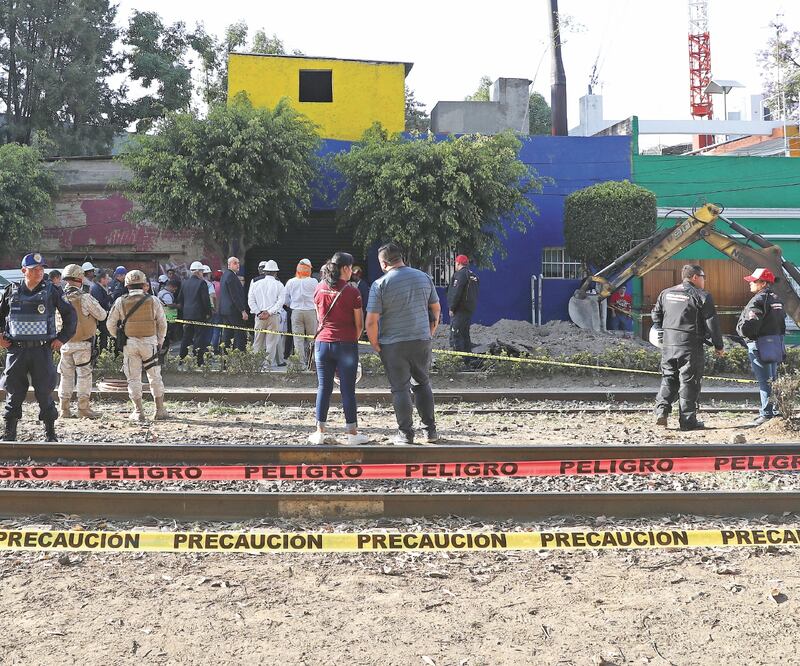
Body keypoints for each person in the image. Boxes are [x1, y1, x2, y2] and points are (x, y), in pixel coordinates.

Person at [366, 243, 441, 445]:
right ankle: (430, 431)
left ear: (383, 263)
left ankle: (406, 434)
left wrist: (375, 344)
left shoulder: (380, 284)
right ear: (401, 257)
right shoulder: (424, 277)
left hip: (393, 344)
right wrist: (430, 332)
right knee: (423, 384)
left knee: (400, 389)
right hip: (421, 340)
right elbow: (435, 307)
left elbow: (371, 320)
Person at [0, 253, 77, 442]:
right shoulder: (12, 290)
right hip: (16, 350)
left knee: (44, 392)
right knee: (14, 392)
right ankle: (10, 433)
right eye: (34, 269)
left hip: (42, 350)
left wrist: (62, 339)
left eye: (41, 268)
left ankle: (50, 433)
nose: (39, 272)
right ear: (23, 271)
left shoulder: (52, 290)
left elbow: (70, 316)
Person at [652, 264, 724, 431]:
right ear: (695, 277)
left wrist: (663, 330)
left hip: (669, 345)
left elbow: (656, 314)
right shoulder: (702, 296)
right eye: (704, 277)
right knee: (689, 382)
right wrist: (718, 346)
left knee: (669, 378)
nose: (704, 280)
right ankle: (687, 421)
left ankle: (661, 411)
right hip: (690, 346)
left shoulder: (666, 293)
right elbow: (712, 322)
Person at [309, 252, 370, 445]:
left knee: (323, 388)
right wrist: (352, 339)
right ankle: (352, 433)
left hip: (322, 344)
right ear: (345, 268)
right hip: (346, 345)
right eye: (351, 267)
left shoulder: (319, 288)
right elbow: (359, 324)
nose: (352, 271)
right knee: (348, 390)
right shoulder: (353, 292)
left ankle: (320, 432)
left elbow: (319, 317)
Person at [106, 270, 168, 422]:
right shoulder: (153, 300)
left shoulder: (120, 301)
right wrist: (160, 340)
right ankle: (159, 410)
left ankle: (139, 412)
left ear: (127, 285)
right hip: (150, 342)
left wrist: (120, 336)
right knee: (155, 377)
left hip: (130, 343)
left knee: (133, 378)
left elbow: (110, 324)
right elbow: (162, 323)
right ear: (144, 284)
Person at [736, 268, 786, 425]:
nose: (750, 283)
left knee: (765, 382)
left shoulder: (758, 300)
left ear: (763, 283)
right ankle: (775, 411)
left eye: (753, 281)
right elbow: (781, 323)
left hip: (759, 345)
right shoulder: (777, 299)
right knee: (772, 380)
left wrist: (743, 333)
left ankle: (766, 414)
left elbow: (750, 325)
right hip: (775, 344)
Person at [57, 264, 107, 419]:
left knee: (65, 377)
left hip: (65, 344)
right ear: (80, 279)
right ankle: (83, 408)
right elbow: (102, 315)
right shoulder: (85, 298)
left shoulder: (58, 299)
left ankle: (64, 409)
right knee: (84, 375)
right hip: (83, 344)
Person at [248, 260, 285, 366]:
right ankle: (267, 365)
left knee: (258, 341)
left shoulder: (256, 284)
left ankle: (255, 364)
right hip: (273, 317)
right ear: (275, 272)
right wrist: (269, 312)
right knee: (271, 343)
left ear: (265, 271)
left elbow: (251, 300)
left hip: (259, 317)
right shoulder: (279, 285)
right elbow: (280, 302)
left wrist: (258, 312)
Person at [177, 261, 212, 366]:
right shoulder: (202, 283)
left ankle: (181, 358)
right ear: (199, 272)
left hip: (187, 314)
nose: (202, 274)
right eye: (202, 271)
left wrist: (185, 311)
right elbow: (205, 300)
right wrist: (208, 313)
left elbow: (180, 299)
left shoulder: (184, 283)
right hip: (199, 315)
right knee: (199, 337)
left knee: (186, 337)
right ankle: (199, 360)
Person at [447, 254, 480, 363]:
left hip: (460, 310)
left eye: (455, 263)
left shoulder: (460, 275)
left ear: (458, 263)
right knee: (465, 334)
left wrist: (452, 307)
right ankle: (467, 361)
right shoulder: (473, 276)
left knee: (456, 334)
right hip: (469, 310)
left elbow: (456, 292)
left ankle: (458, 361)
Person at [284, 259, 318, 362]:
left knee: (298, 339)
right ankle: (311, 361)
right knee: (312, 338)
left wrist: (293, 306)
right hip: (310, 312)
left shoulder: (291, 282)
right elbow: (318, 297)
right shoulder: (314, 281)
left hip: (296, 312)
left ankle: (300, 363)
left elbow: (285, 299)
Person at [218, 257, 249, 352]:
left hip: (225, 311)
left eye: (238, 263)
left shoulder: (225, 275)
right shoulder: (231, 276)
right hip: (233, 311)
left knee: (227, 334)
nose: (238, 265)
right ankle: (239, 357)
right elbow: (235, 295)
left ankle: (225, 359)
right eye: (235, 263)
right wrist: (243, 311)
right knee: (239, 334)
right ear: (229, 265)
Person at [91, 269, 112, 351]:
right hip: (99, 318)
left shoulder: (103, 288)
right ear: (102, 279)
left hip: (104, 316)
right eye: (107, 278)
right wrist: (108, 297)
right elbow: (99, 302)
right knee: (101, 337)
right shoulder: (96, 288)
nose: (108, 280)